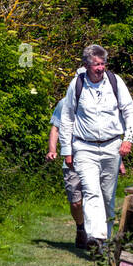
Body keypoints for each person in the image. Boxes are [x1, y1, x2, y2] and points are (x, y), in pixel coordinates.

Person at [59, 44, 133, 250]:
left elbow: (129, 110)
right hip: (84, 147)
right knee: (91, 190)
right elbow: (66, 118)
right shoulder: (77, 84)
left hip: (112, 146)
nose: (101, 68)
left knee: (107, 196)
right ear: (86, 65)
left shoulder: (115, 82)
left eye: (103, 64)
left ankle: (106, 243)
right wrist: (67, 150)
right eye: (96, 64)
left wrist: (128, 139)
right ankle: (96, 236)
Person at [46, 95, 86, 248]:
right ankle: (80, 227)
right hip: (71, 160)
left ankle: (95, 235)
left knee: (94, 198)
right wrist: (52, 150)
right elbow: (55, 128)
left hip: (94, 158)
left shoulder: (100, 100)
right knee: (76, 202)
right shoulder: (64, 103)